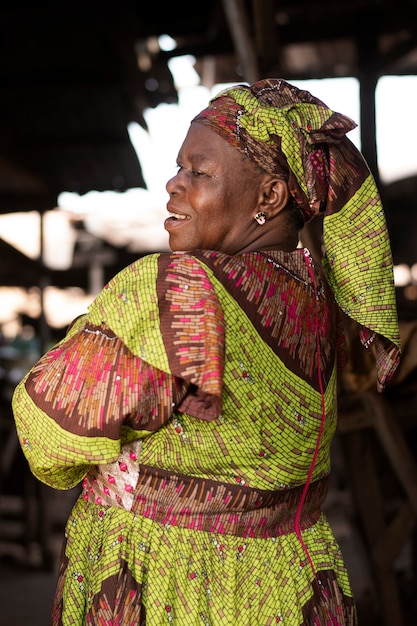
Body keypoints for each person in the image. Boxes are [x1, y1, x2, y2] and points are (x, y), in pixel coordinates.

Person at [12, 78, 401, 625]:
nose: (173, 185)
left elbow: (45, 435)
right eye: (178, 168)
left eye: (199, 172)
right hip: (296, 585)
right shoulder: (319, 304)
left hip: (171, 586)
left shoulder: (176, 293)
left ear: (270, 196)